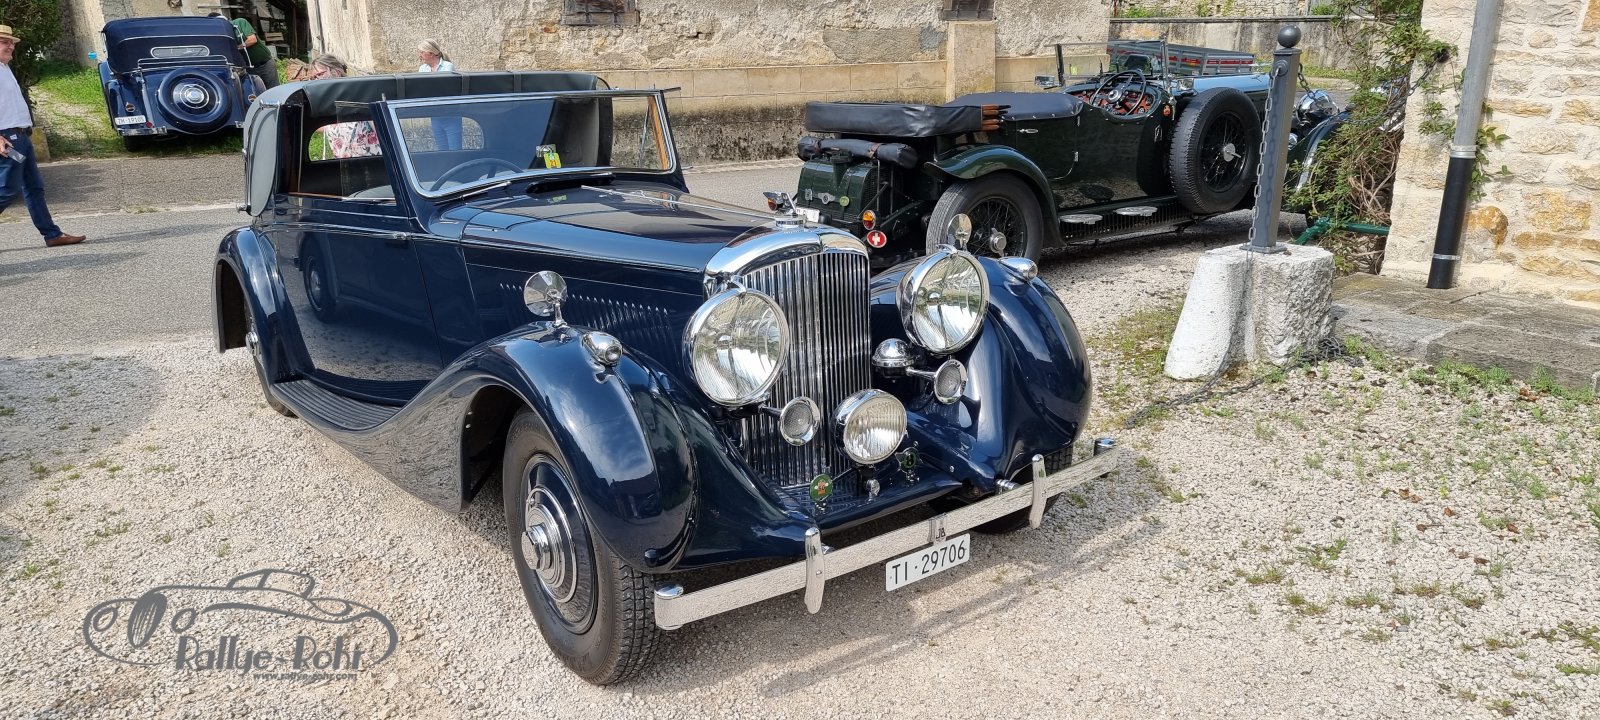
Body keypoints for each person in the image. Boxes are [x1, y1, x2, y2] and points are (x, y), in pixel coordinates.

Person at [0, 24, 84, 248]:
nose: (11, 46)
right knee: (8, 190)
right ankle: (51, 234)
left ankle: (52, 234)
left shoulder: (4, 68)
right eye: (4, 42)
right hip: (8, 140)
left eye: (11, 42)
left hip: (21, 138)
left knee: (34, 186)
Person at [306, 55, 379, 161]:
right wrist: (329, 127)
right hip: (344, 163)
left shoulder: (357, 94)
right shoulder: (325, 100)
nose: (317, 80)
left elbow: (378, 126)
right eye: (314, 77)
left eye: (320, 74)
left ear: (337, 72)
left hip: (373, 160)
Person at [209, 12, 277, 91]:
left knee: (273, 90)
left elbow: (252, 40)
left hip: (265, 64)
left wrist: (237, 48)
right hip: (249, 68)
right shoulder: (222, 35)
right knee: (255, 92)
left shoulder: (240, 22)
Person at [415, 39, 461, 150]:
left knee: (455, 151)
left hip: (451, 116)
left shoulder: (447, 67)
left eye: (422, 52)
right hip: (435, 115)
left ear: (431, 53)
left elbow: (445, 91)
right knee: (441, 150)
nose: (420, 55)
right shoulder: (422, 69)